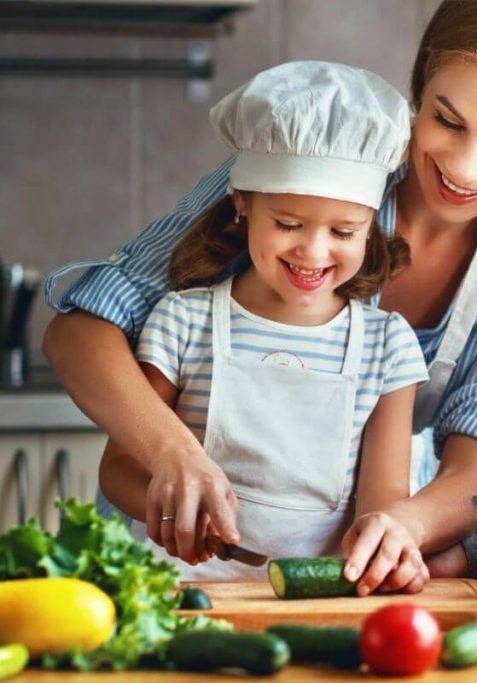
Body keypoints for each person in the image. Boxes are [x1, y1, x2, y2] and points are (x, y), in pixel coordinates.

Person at [43, 0, 477, 593]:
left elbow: (476, 461)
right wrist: (174, 456)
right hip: (167, 561)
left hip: (331, 567)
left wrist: (402, 524)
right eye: (447, 121)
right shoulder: (309, 157)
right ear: (421, 83)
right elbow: (80, 332)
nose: (463, 167)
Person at [94, 61, 429, 581]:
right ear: (242, 203)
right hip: (183, 588)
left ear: (371, 227)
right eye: (289, 224)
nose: (313, 251)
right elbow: (118, 470)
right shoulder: (184, 321)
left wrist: (383, 550)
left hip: (315, 598)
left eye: (344, 231)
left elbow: (381, 504)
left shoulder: (388, 346)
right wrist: (173, 512)